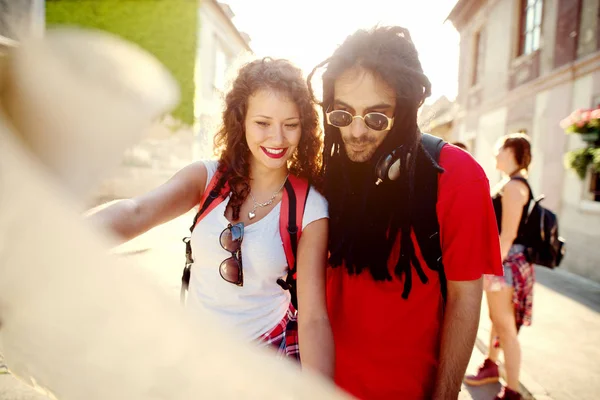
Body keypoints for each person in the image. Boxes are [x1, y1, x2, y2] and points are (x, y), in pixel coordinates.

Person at [88, 58, 334, 377]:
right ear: (241, 120)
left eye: (291, 124)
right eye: (263, 123)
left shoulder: (309, 206)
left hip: (267, 362)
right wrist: (55, 238)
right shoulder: (206, 178)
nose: (278, 138)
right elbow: (136, 212)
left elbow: (314, 318)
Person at [307, 26, 503, 399]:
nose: (357, 132)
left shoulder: (456, 176)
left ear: (407, 110)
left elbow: (465, 298)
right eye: (342, 115)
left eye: (377, 118)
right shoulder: (318, 175)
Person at [464, 133, 535, 400]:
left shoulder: (515, 187)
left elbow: (508, 235)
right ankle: (491, 367)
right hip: (506, 263)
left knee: (505, 325)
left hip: (506, 264)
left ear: (511, 151)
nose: (495, 154)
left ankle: (513, 391)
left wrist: (491, 268)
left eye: (498, 149)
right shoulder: (510, 183)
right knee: (498, 320)